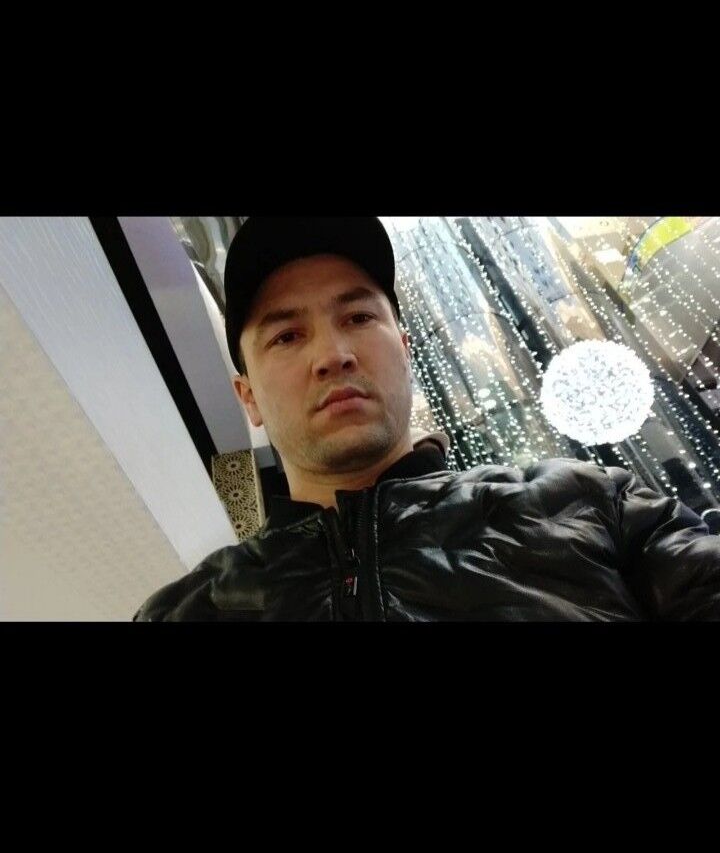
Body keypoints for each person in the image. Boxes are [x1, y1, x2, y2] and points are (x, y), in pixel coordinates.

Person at [134, 217, 720, 621]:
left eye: (359, 318)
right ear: (249, 399)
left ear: (405, 351)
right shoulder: (183, 610)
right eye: (287, 335)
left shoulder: (593, 504)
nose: (333, 354)